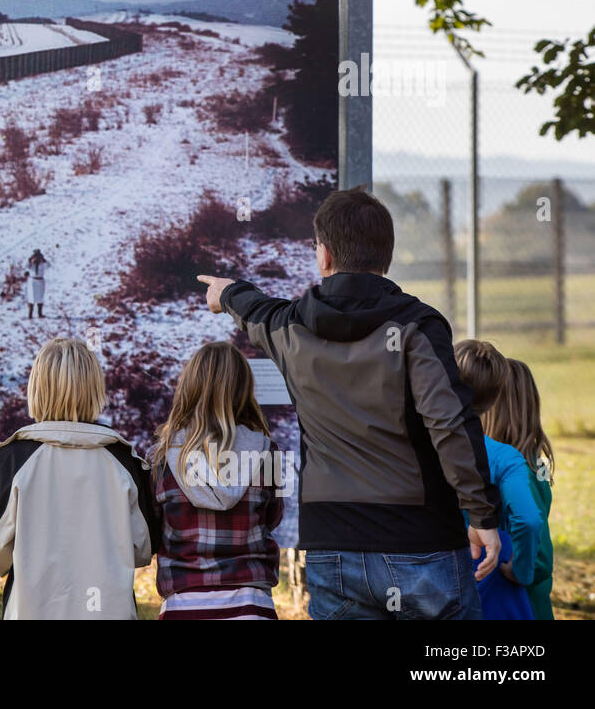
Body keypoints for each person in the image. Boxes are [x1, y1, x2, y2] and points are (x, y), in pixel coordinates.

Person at [197, 186, 500, 620]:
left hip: (332, 549)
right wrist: (482, 514)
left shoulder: (288, 327)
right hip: (422, 545)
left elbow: (254, 308)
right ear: (387, 256)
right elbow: (449, 423)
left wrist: (227, 294)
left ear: (323, 256)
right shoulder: (418, 326)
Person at [0, 337, 158, 619]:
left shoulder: (13, 460)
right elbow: (143, 549)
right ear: (95, 388)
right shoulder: (124, 461)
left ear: (37, 388)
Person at [151, 342, 285, 620]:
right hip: (252, 605)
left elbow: (154, 528)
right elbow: (274, 518)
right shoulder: (267, 452)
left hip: (183, 605)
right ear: (244, 390)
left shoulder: (162, 457)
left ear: (188, 387)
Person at [454, 341, 548, 619]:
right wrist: (520, 570)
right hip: (493, 582)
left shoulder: (412, 448)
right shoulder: (508, 459)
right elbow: (530, 520)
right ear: (493, 400)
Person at [497, 358, 555, 619]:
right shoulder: (529, 460)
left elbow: (540, 556)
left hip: (522, 607)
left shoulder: (519, 470)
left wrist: (517, 570)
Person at [24, 249, 49, 319]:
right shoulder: (30, 264)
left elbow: (48, 266)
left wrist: (43, 260)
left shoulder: (42, 263)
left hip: (40, 280)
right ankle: (30, 314)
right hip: (32, 281)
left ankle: (40, 313)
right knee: (32, 297)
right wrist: (30, 259)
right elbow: (25, 266)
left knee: (40, 297)